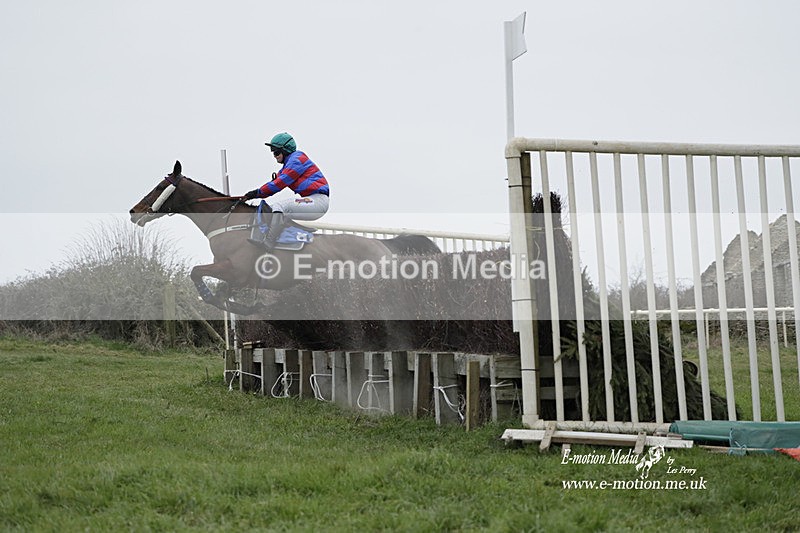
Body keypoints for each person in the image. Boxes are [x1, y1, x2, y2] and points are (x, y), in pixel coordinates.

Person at [242, 132, 330, 250]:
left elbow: (279, 184)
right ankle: (278, 242)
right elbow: (273, 184)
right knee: (270, 209)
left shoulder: (297, 160)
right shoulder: (288, 165)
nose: (274, 155)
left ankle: (269, 242)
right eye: (272, 152)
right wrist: (251, 195)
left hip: (317, 201)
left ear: (286, 150)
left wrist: (256, 193)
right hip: (310, 200)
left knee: (279, 206)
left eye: (276, 152)